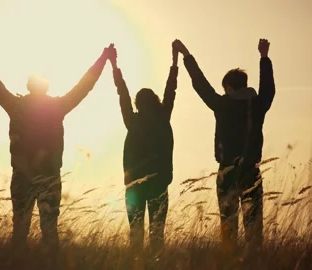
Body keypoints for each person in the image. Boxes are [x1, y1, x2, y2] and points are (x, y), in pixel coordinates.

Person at [0, 37, 114, 253]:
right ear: (46, 87)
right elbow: (84, 87)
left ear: (28, 86)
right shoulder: (57, 107)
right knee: (49, 231)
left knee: (20, 230)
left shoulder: (16, 106)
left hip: (23, 175)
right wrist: (103, 58)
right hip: (49, 175)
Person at [174, 39, 275, 254]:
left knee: (228, 226)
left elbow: (201, 85)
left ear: (228, 87)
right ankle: (255, 264)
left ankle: (229, 264)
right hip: (251, 170)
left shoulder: (223, 104)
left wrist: (186, 55)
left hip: (227, 171)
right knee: (254, 227)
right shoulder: (258, 104)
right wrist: (264, 57)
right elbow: (268, 88)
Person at [110, 42, 179, 254]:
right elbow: (171, 89)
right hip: (159, 182)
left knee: (136, 235)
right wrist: (175, 61)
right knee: (157, 234)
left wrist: (114, 65)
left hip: (134, 186)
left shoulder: (132, 120)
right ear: (156, 101)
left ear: (138, 104)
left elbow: (122, 94)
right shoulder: (162, 117)